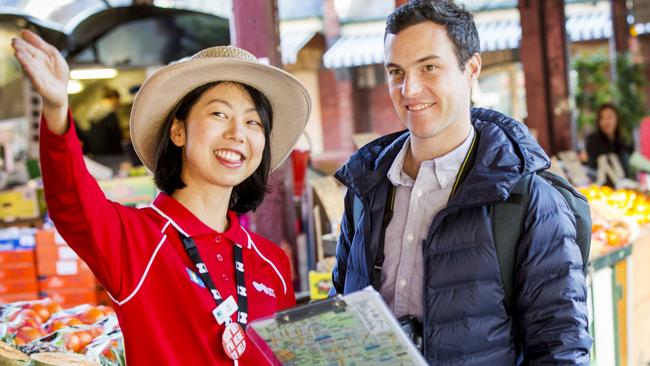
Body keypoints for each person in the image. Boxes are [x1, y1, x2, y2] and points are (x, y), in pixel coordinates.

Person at [12, 30, 311, 365]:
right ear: (178, 130)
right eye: (219, 114)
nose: (237, 133)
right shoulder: (135, 239)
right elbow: (71, 201)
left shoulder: (272, 262)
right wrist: (56, 109)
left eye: (253, 121)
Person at [330, 1, 592, 364]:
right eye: (396, 71)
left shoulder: (526, 197)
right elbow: (340, 311)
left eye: (429, 67)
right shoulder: (365, 188)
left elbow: (560, 349)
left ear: (471, 69)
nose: (409, 89)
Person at [586, 103, 634, 180]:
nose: (606, 122)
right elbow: (592, 169)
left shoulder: (623, 143)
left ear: (617, 119)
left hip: (623, 188)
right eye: (602, 118)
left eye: (609, 117)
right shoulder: (593, 141)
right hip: (601, 189)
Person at [82, 87, 124, 157]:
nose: (119, 103)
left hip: (96, 151)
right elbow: (116, 135)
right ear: (113, 98)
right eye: (118, 100)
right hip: (111, 153)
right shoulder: (110, 113)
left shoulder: (93, 112)